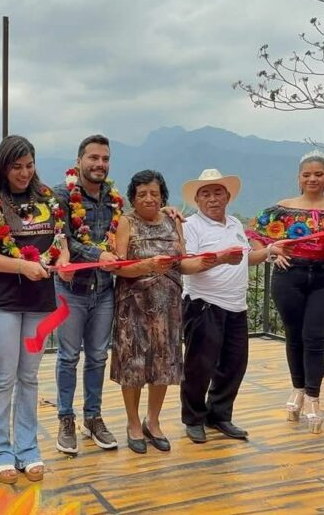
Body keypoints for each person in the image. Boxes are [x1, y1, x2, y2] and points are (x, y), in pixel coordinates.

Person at [0, 135, 69, 484]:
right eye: (17, 166)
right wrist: (22, 267)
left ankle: (27, 449)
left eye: (29, 165)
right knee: (3, 377)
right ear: (3, 166)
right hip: (4, 304)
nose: (24, 172)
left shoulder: (48, 199)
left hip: (40, 305)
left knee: (29, 376)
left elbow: (61, 242)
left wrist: (64, 260)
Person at [110, 170, 217, 453]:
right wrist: (147, 266)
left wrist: (214, 261)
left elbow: (182, 264)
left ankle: (153, 422)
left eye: (154, 193)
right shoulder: (126, 222)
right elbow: (119, 268)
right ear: (133, 198)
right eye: (142, 193)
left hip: (168, 307)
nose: (148, 198)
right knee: (133, 365)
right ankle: (133, 423)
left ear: (162, 197)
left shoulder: (173, 221)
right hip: (133, 306)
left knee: (164, 364)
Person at [249, 151, 324, 434]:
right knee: (294, 336)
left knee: (315, 337)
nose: (313, 179)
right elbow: (256, 232)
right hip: (289, 275)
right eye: (307, 175)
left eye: (318, 174)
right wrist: (272, 254)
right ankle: (297, 388)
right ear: (299, 178)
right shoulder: (284, 207)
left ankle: (313, 397)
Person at [179, 169, 273, 444]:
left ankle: (219, 414)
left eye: (217, 192)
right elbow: (187, 264)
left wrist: (268, 252)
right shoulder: (191, 226)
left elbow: (246, 258)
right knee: (199, 365)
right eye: (205, 194)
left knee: (234, 364)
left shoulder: (234, 224)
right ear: (197, 200)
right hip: (204, 304)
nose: (212, 198)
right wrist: (220, 259)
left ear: (228, 196)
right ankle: (194, 418)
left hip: (236, 305)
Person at [52, 134, 122, 455]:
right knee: (68, 357)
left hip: (104, 290)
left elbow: (124, 232)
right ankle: (65, 418)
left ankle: (92, 417)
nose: (100, 165)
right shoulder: (62, 196)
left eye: (105, 159)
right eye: (93, 158)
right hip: (71, 290)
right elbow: (65, 239)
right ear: (79, 160)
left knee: (98, 357)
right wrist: (98, 256)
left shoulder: (114, 199)